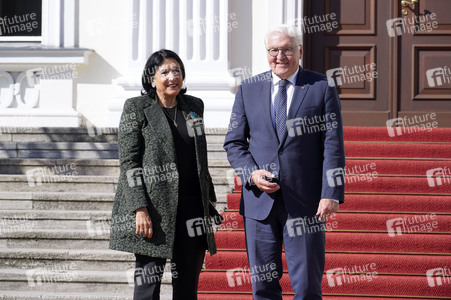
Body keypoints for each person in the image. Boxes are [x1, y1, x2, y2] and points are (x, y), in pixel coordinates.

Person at [223, 25, 345, 299]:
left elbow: (333, 145)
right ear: (267, 53)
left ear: (299, 51)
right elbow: (234, 142)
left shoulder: (321, 87)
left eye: (287, 49)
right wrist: (251, 173)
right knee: (263, 286)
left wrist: (331, 193)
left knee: (307, 286)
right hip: (259, 204)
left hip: (306, 203)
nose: (280, 56)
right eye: (274, 50)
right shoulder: (248, 89)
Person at [109, 49, 218, 300]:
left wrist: (208, 197)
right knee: (147, 288)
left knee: (187, 287)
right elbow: (129, 161)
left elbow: (199, 155)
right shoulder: (137, 107)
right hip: (153, 211)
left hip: (191, 210)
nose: (172, 77)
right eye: (165, 72)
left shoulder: (194, 107)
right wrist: (139, 208)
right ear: (151, 78)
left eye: (177, 71)